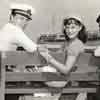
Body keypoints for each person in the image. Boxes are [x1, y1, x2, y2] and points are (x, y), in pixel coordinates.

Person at [38, 15, 87, 100]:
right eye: (67, 27)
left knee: (32, 74)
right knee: (34, 73)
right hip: (70, 79)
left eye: (73, 27)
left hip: (66, 80)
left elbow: (65, 70)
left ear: (80, 28)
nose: (69, 31)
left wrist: (49, 58)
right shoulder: (69, 43)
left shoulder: (74, 45)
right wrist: (47, 51)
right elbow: (58, 57)